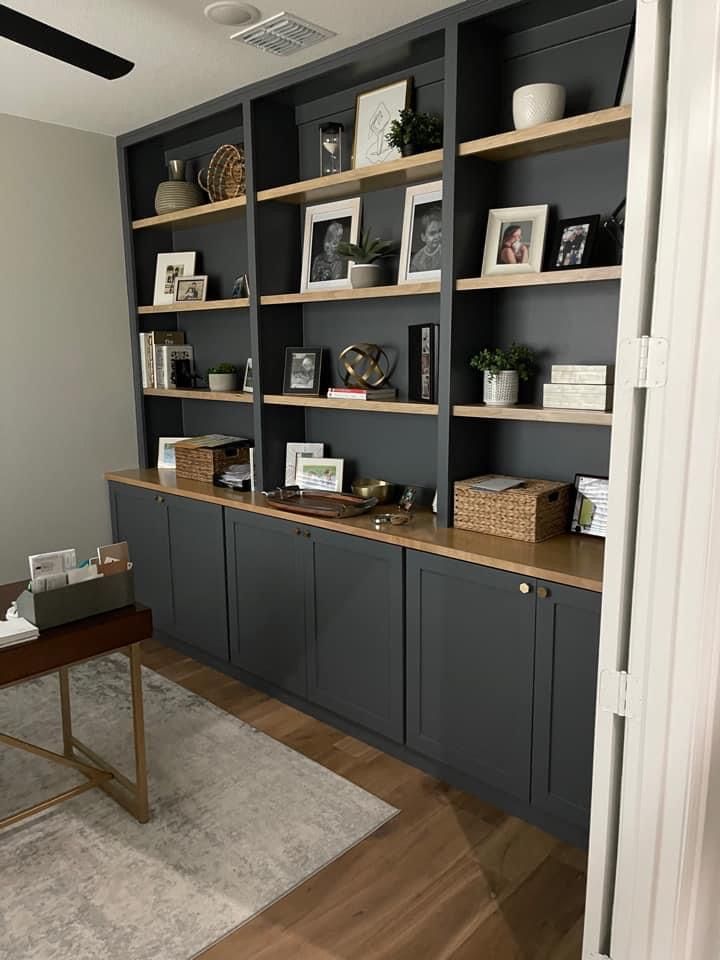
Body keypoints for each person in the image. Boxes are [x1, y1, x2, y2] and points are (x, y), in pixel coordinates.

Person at [410, 207, 442, 272]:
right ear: (423, 237)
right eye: (432, 233)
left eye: (440, 231)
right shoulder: (417, 258)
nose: (437, 236)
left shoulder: (445, 251)